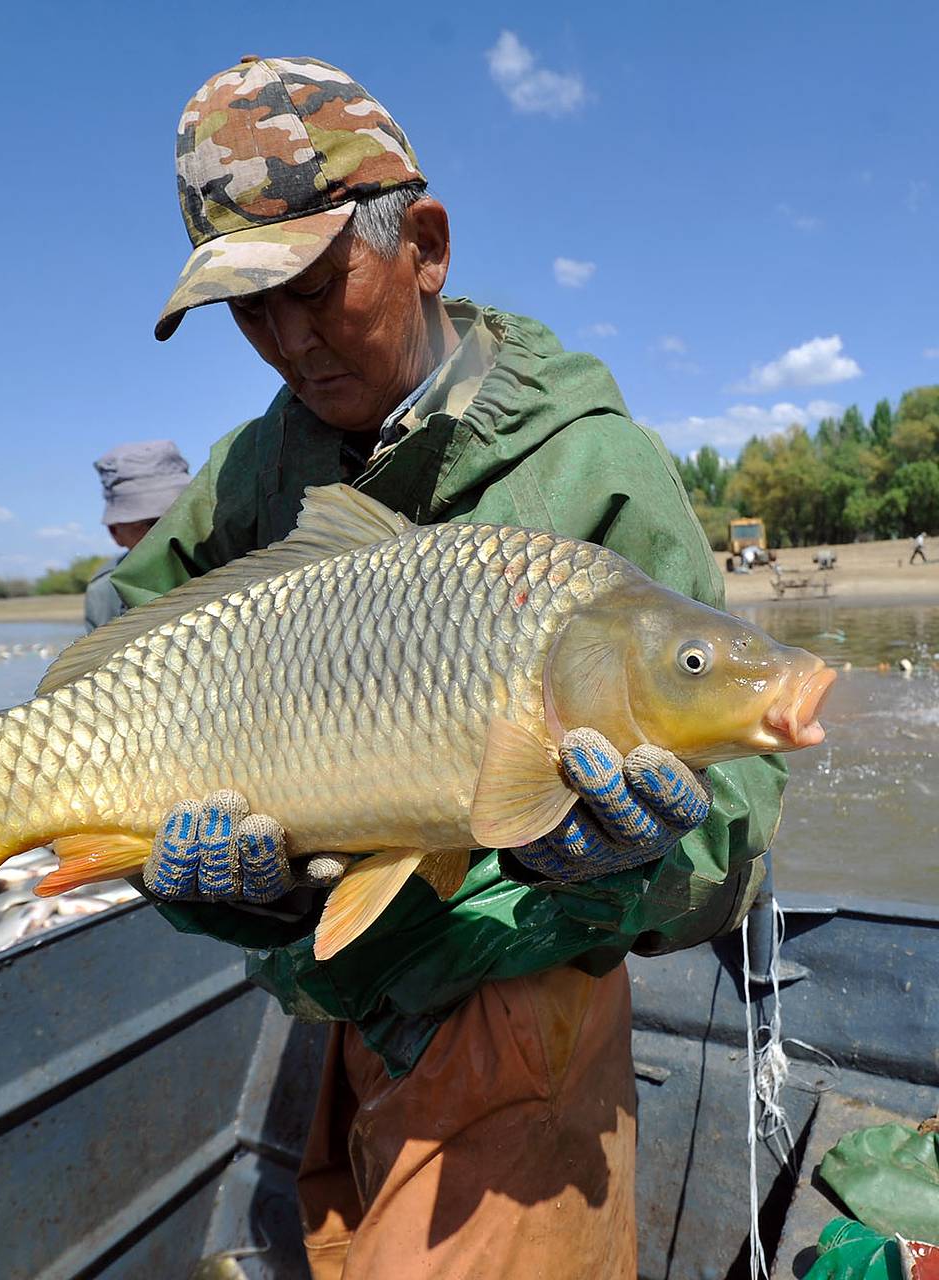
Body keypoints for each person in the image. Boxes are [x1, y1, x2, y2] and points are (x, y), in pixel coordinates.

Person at [111, 56, 787, 1278]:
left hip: (523, 1007)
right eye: (248, 312)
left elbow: (730, 816)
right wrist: (227, 891)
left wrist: (630, 869)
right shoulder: (252, 471)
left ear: (422, 243)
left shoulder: (594, 469)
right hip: (334, 992)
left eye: (312, 289)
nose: (286, 342)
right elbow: (114, 650)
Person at [82, 440, 191, 633]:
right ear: (115, 532)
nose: (171, 532)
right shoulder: (105, 594)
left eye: (179, 516)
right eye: (151, 524)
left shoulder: (238, 559)